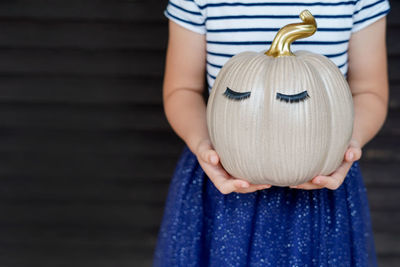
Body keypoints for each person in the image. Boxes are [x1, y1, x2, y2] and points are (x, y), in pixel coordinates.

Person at [153, 0, 390, 266]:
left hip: (322, 187)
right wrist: (202, 144)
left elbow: (369, 91)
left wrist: (346, 145)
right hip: (223, 182)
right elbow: (182, 89)